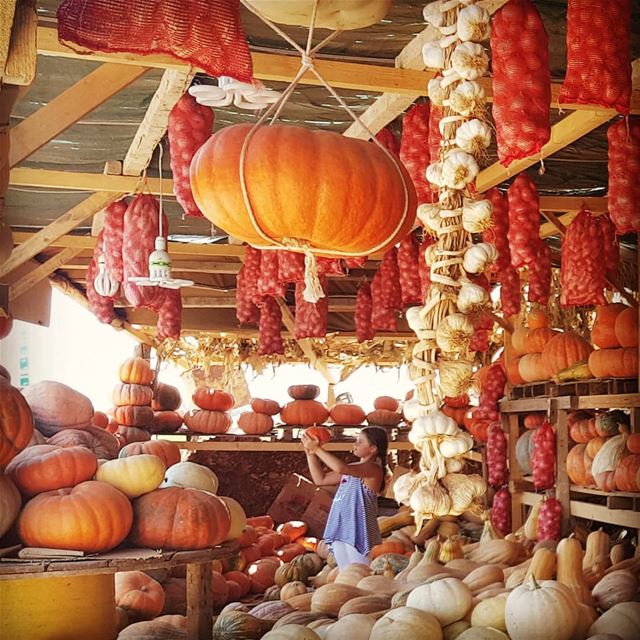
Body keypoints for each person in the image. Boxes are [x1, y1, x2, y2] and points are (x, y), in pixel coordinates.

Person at [301, 426, 389, 570]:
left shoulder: (373, 469)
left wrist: (317, 449)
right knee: (346, 573)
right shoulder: (353, 468)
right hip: (341, 527)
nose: (355, 444)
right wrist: (310, 454)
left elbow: (340, 468)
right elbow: (320, 479)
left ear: (373, 449)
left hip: (357, 529)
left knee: (359, 573)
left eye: (360, 442)